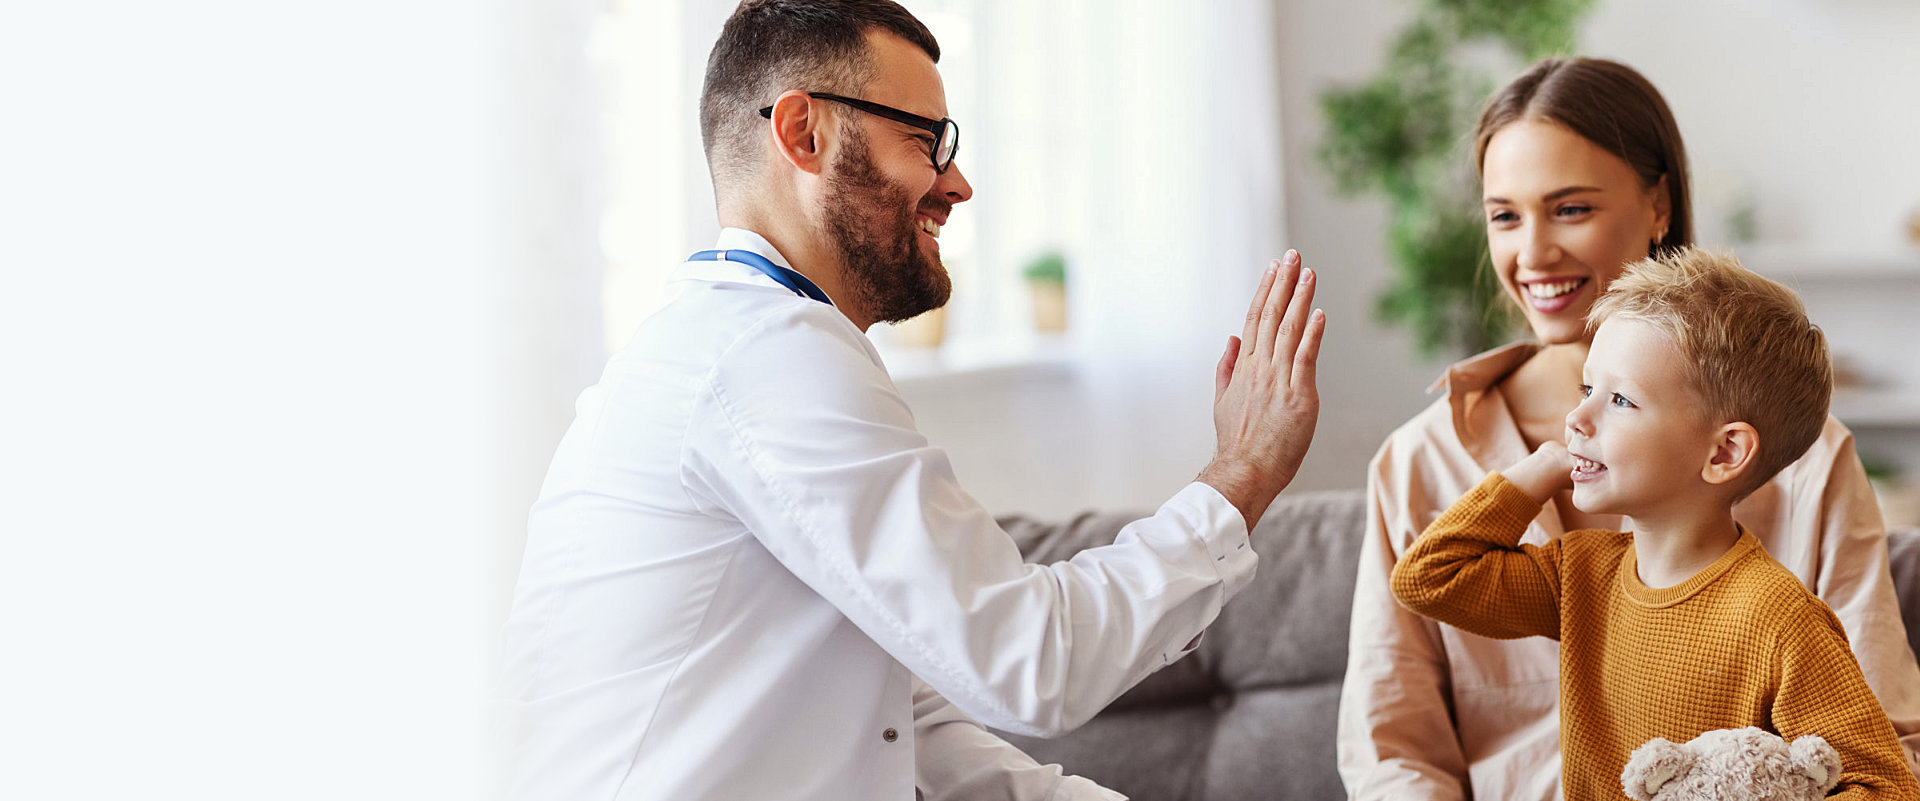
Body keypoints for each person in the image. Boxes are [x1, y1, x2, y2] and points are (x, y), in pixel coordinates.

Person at [497, 2, 1327, 800]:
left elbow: (899, 726)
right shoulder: (765, 353)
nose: (956, 183)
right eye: (925, 140)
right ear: (803, 132)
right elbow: (1030, 662)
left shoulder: (735, 342)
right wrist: (1243, 472)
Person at [1336, 56, 1920, 800]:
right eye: (1504, 215)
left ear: (1658, 207)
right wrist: (1540, 468)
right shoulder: (1419, 464)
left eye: (1571, 208)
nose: (1534, 252)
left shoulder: (1806, 464)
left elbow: (1882, 742)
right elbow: (1393, 753)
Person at [1389, 248, 1920, 800]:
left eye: (1619, 399)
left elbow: (1885, 788)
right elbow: (1428, 578)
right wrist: (1534, 473)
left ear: (1725, 452)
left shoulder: (1782, 621)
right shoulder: (1581, 575)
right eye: (1586, 390)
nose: (1578, 418)